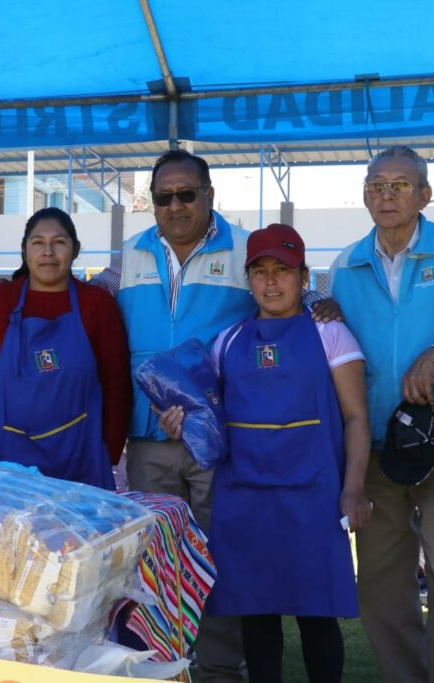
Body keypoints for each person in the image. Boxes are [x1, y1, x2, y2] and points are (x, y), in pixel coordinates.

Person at [96, 149, 337, 682]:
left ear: (209, 195)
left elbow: (284, 292)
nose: (176, 205)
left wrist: (326, 301)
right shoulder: (130, 254)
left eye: (187, 193)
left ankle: (222, 671)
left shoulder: (242, 249)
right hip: (149, 435)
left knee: (219, 562)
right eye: (164, 196)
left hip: (221, 439)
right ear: (152, 203)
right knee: (154, 566)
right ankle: (157, 669)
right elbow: (89, 299)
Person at [158, 224, 371, 682]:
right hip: (246, 497)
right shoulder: (228, 342)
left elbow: (356, 418)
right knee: (257, 615)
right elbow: (204, 416)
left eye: (283, 270)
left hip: (314, 494)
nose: (271, 281)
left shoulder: (330, 335)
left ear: (303, 276)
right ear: (247, 277)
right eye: (260, 271)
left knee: (317, 614)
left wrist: (353, 488)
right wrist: (177, 421)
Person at [328, 144, 434, 683]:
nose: (386, 194)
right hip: (372, 447)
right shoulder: (344, 265)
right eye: (376, 184)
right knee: (379, 583)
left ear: (425, 194)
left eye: (400, 184)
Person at [0, 207, 131, 489]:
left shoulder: (97, 305)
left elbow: (117, 383)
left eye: (59, 242)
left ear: (75, 250)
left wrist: (107, 451)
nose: (48, 251)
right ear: (24, 251)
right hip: (6, 463)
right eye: (38, 242)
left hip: (81, 464)